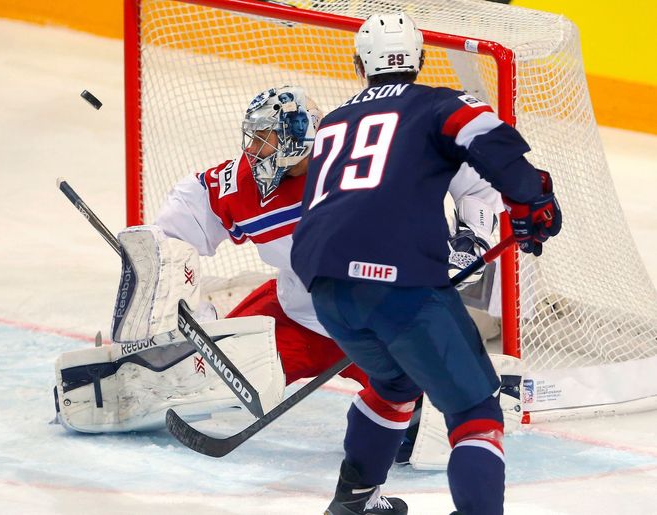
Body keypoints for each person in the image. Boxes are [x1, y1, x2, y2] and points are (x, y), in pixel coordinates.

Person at [52, 85, 510, 465]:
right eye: (252, 138)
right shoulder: (249, 184)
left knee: (417, 438)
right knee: (202, 368)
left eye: (264, 139)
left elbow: (470, 178)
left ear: (295, 137)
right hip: (296, 317)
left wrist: (468, 242)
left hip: (385, 324)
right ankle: (126, 382)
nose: (253, 150)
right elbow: (188, 214)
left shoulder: (362, 168)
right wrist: (157, 273)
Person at [290, 12, 561, 515]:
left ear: (360, 65)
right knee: (475, 409)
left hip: (325, 285)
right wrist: (532, 200)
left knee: (395, 384)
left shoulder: (333, 122)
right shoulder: (436, 102)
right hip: (399, 286)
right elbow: (491, 139)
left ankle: (354, 503)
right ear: (418, 59)